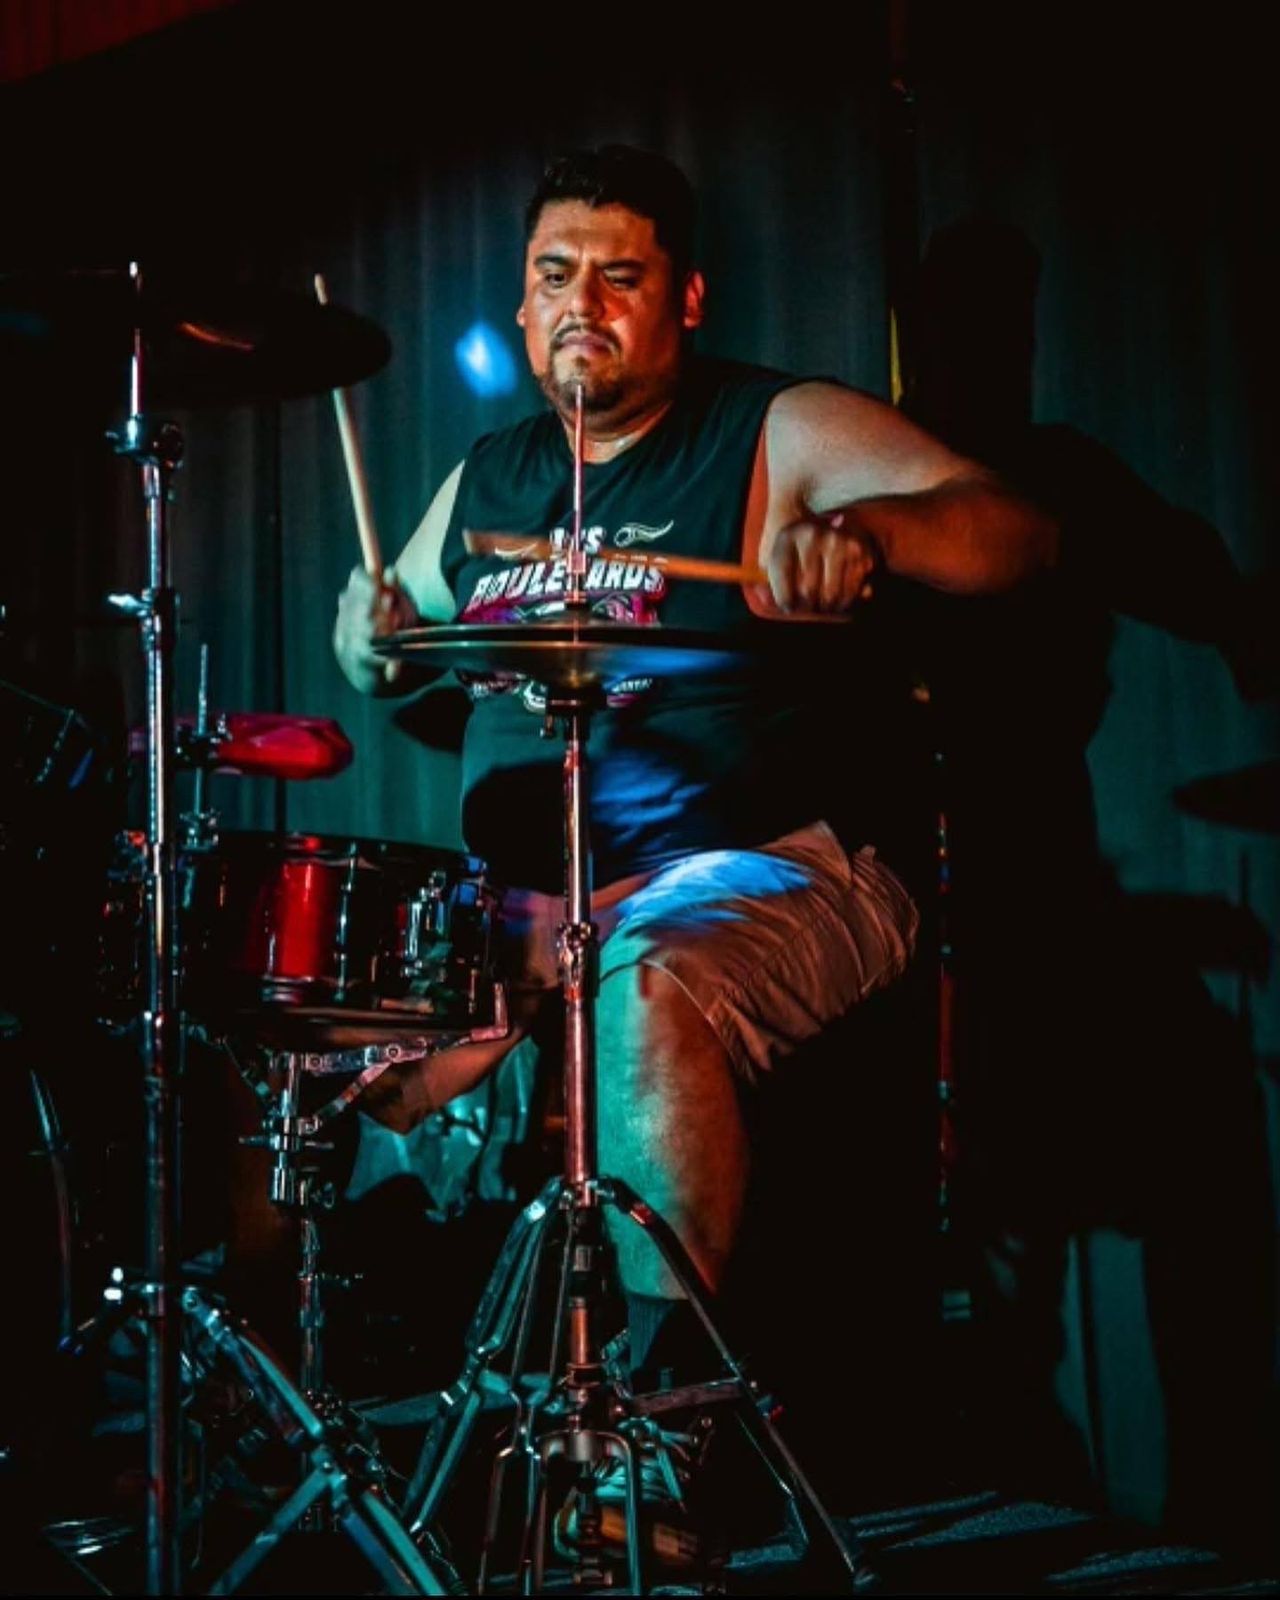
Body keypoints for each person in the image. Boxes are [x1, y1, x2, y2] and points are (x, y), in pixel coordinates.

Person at [332, 143, 1057, 1533]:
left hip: (775, 866)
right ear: (522, 302)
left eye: (621, 276)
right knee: (319, 1021)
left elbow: (1015, 530)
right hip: (535, 901)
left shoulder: (770, 426)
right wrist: (364, 638)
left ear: (686, 300)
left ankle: (653, 1442)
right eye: (555, 276)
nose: (582, 304)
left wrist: (874, 533)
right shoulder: (491, 476)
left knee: (648, 979)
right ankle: (315, 1408)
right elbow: (377, 646)